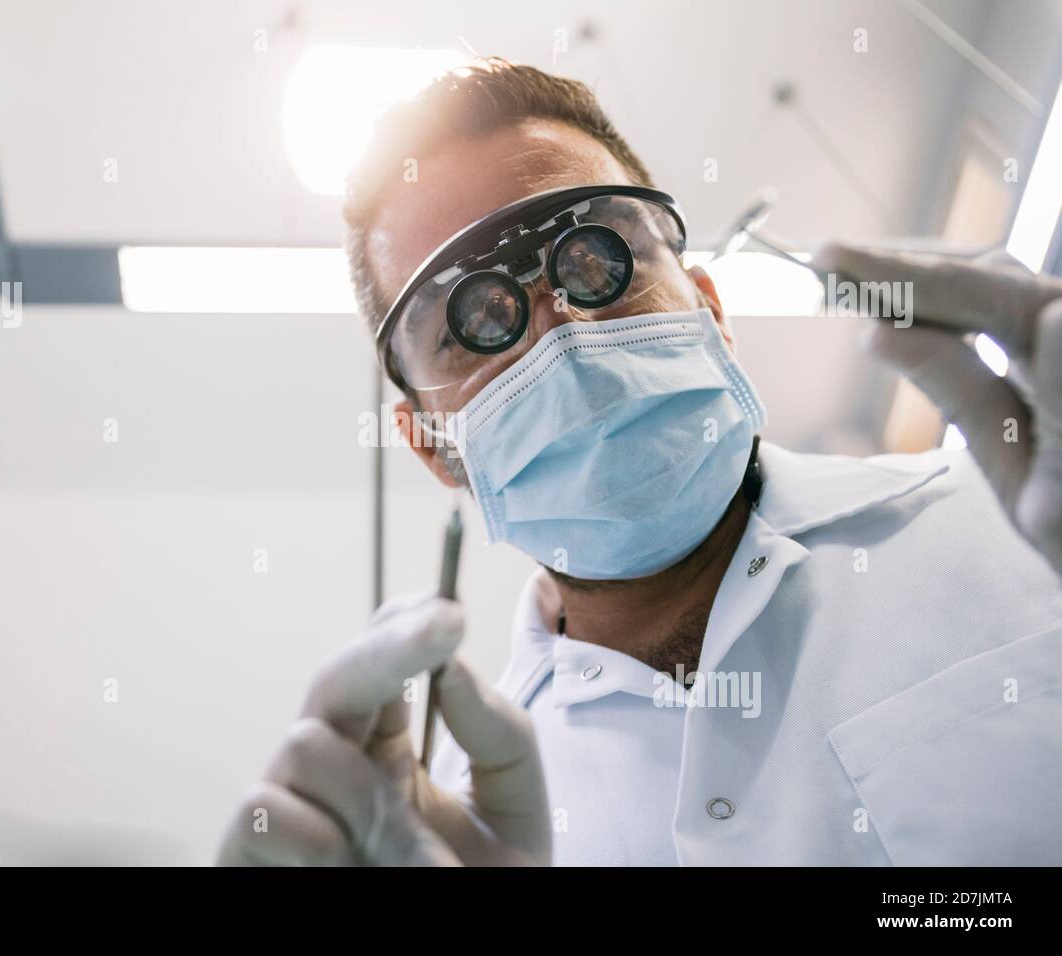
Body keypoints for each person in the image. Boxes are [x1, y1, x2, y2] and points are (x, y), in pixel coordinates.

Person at [217, 58, 1062, 866]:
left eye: (595, 259)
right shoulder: (469, 821)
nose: (564, 334)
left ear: (712, 310)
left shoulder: (1005, 526)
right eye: (475, 317)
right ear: (434, 445)